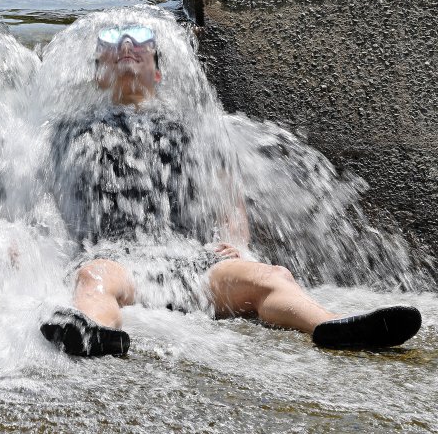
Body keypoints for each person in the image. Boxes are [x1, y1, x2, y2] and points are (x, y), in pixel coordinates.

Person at [40, 24, 422, 356]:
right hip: (116, 257)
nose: (126, 45)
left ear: (157, 73)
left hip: (192, 259)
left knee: (271, 276)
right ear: (98, 75)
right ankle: (94, 331)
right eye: (113, 42)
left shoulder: (197, 129)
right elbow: (45, 203)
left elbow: (229, 201)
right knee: (94, 279)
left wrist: (234, 242)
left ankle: (332, 325)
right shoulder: (71, 133)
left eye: (141, 41)